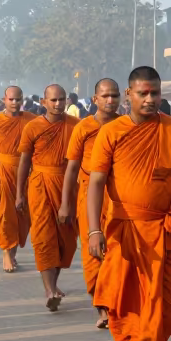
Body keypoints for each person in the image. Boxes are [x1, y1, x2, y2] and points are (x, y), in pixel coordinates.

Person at [88, 66, 171, 341]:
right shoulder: (112, 132)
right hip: (124, 229)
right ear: (129, 96)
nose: (150, 99)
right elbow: (96, 183)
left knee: (166, 302)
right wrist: (94, 230)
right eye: (143, 94)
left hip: (165, 228)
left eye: (155, 93)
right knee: (123, 300)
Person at [58, 79, 121, 327]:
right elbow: (72, 168)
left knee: (117, 251)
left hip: (118, 196)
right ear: (95, 99)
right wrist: (66, 203)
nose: (110, 100)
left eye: (114, 95)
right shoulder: (83, 127)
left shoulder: (126, 125)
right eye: (105, 96)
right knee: (92, 249)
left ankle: (115, 302)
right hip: (89, 195)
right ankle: (102, 307)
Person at [17, 85, 77, 309]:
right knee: (43, 237)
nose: (58, 104)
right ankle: (49, 289)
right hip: (40, 184)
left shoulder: (75, 126)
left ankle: (54, 283)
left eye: (62, 99)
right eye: (53, 100)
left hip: (67, 185)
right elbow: (24, 162)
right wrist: (19, 194)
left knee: (65, 240)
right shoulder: (33, 127)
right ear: (44, 102)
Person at [0, 87, 34, 273]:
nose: (15, 103)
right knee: (3, 214)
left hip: (25, 172)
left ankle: (13, 253)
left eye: (18, 99)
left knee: (21, 216)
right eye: (11, 99)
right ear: (4, 99)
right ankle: (6, 253)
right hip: (1, 170)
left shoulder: (32, 120)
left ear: (22, 100)